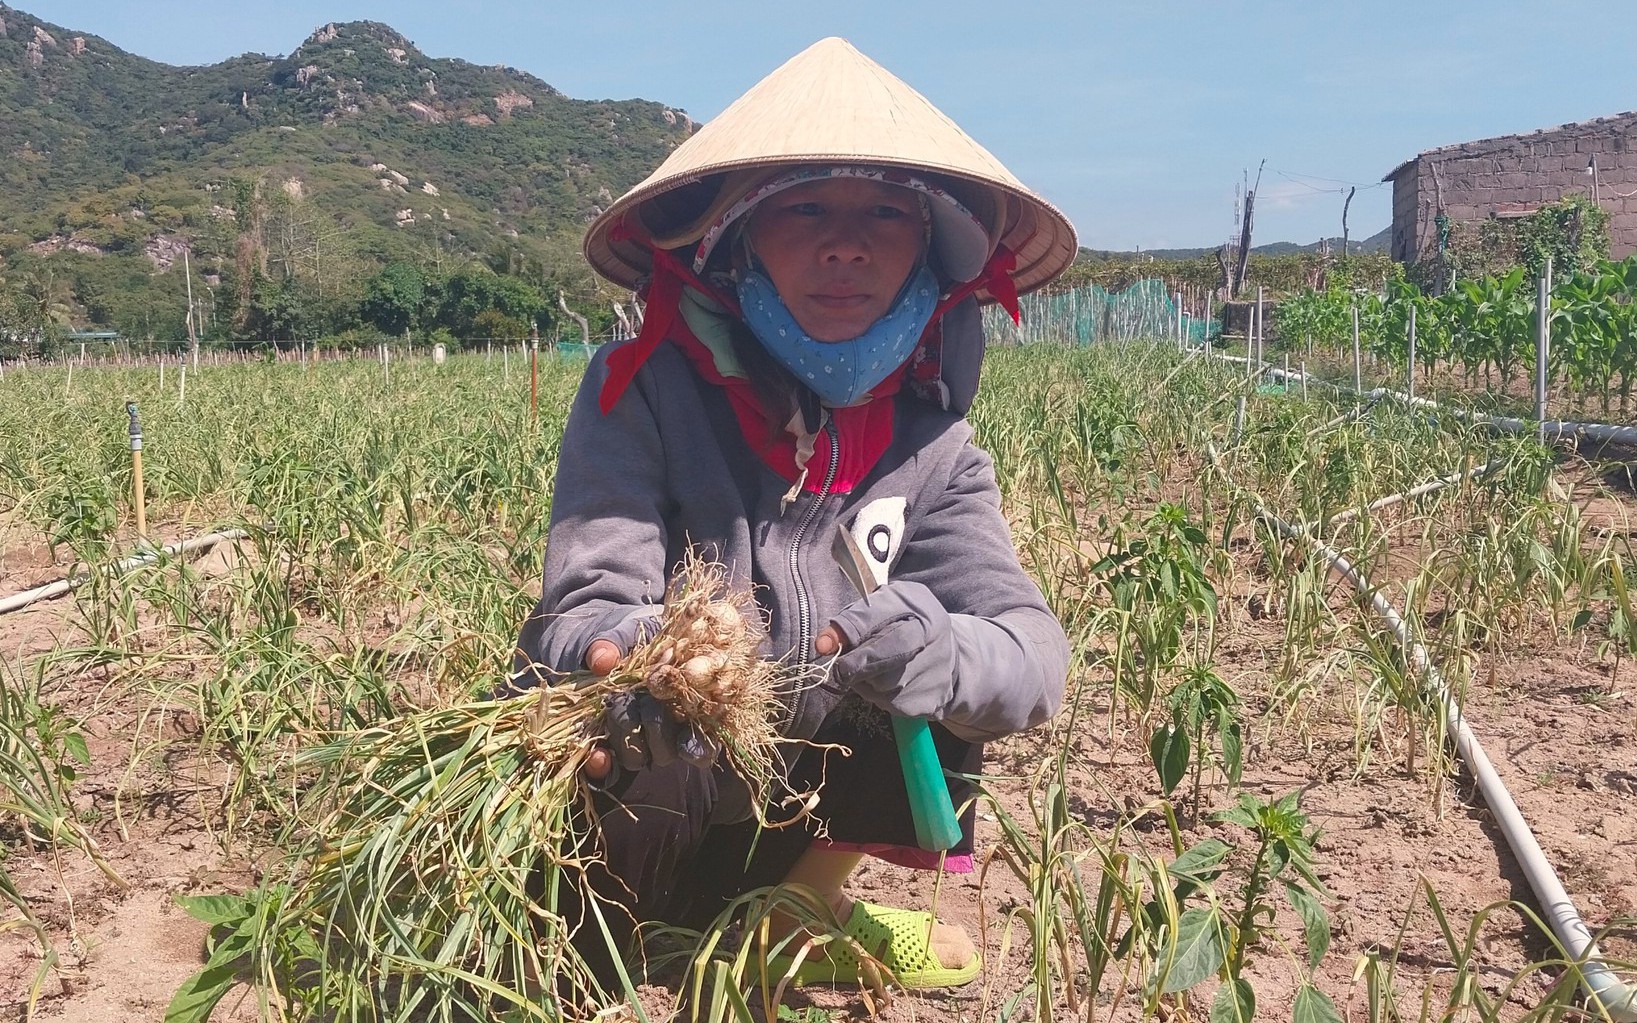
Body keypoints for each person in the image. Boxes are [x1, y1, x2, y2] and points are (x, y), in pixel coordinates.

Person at [511, 36, 1078, 991]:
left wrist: (937, 652)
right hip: (657, 792)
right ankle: (626, 925)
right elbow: (585, 601)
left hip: (796, 809)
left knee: (932, 665)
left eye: (886, 216)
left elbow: (1031, 650)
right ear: (734, 241)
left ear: (928, 257)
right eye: (805, 207)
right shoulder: (639, 390)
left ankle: (798, 911)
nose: (845, 243)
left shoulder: (933, 448)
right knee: (622, 750)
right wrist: (651, 651)